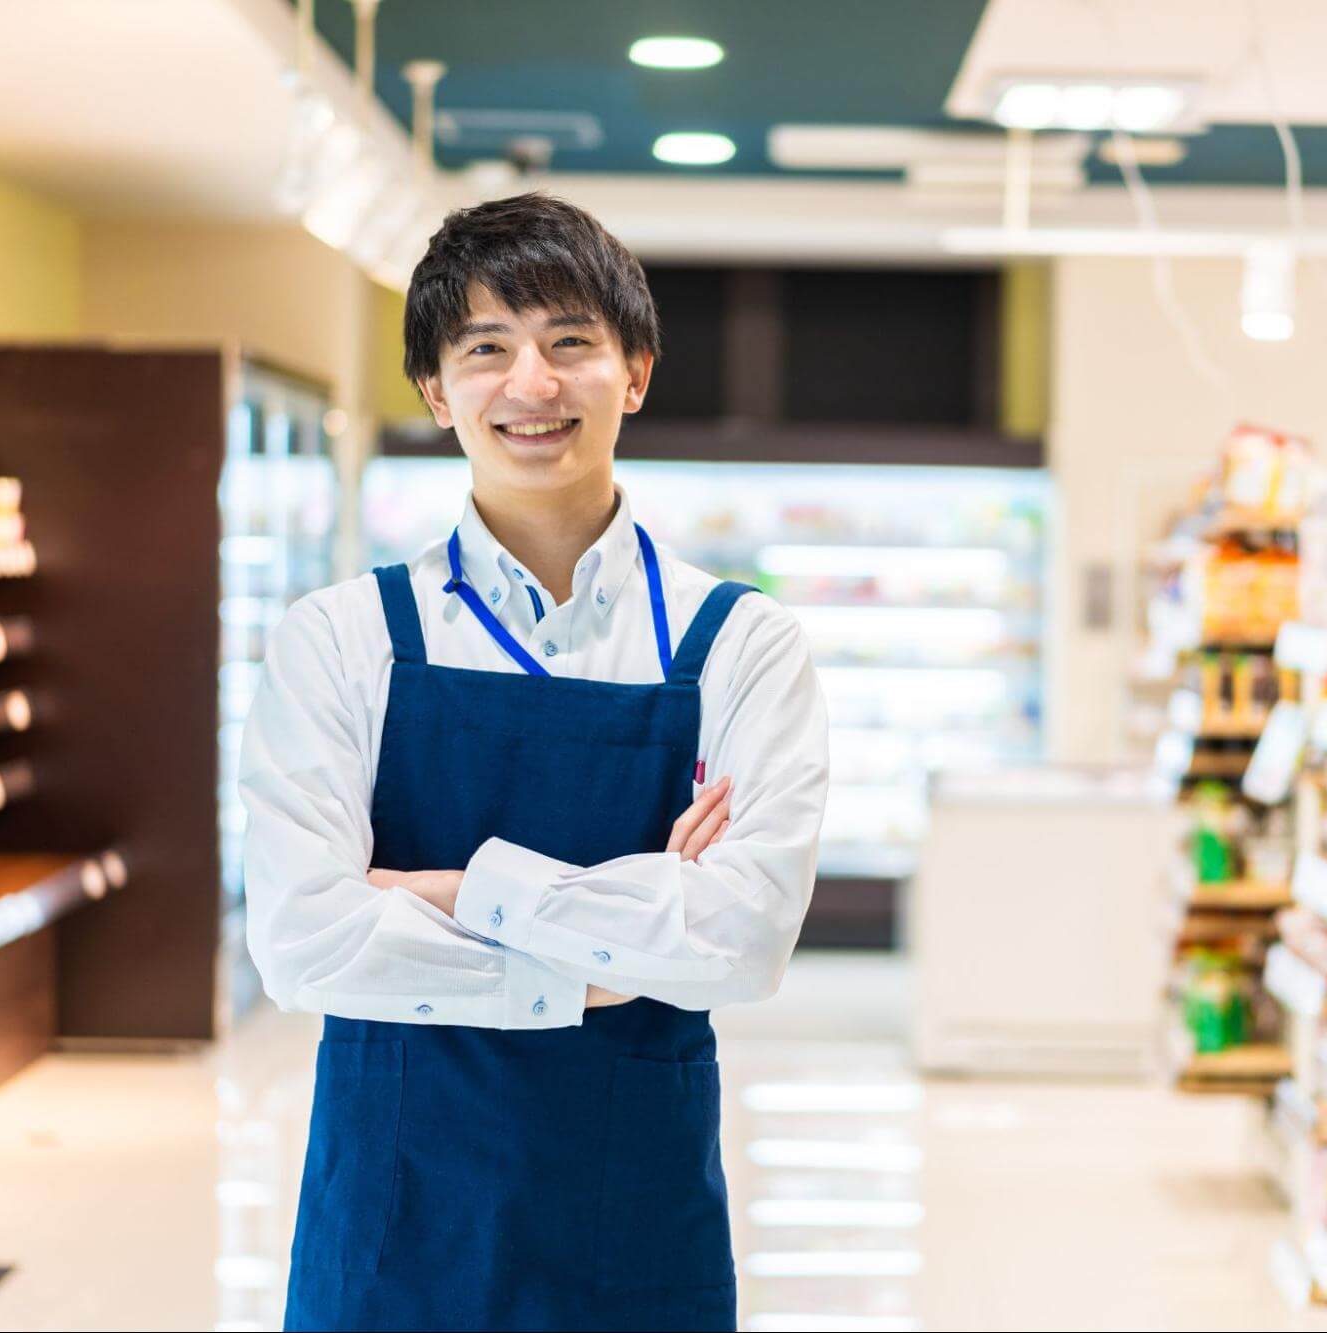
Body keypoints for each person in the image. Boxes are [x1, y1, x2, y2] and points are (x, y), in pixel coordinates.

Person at [239, 192, 830, 1332]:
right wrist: (607, 962)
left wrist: (465, 893)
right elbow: (304, 940)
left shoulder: (739, 643)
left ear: (636, 370)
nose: (532, 385)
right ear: (435, 389)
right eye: (486, 350)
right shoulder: (341, 638)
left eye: (571, 343)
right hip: (393, 1216)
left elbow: (742, 939)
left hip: (634, 1211)